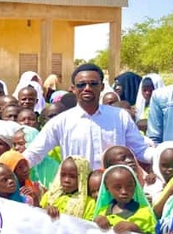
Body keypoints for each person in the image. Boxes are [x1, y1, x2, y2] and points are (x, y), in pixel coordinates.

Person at [23, 64, 152, 170]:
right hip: (77, 193)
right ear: (73, 89)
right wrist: (12, 166)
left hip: (114, 191)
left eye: (93, 84)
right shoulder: (60, 122)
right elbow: (34, 154)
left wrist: (163, 154)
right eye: (81, 85)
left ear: (101, 87)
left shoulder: (120, 117)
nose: (87, 88)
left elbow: (141, 151)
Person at [93, 165, 156, 234]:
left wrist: (135, 229)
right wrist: (96, 222)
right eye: (117, 187)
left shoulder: (145, 212)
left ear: (135, 185)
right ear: (107, 188)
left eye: (129, 186)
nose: (124, 191)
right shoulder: (102, 212)